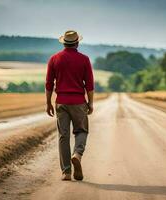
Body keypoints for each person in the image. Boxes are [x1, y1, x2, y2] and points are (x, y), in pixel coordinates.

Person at [45, 30, 94, 181]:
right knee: (82, 131)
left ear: (64, 43)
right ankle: (77, 154)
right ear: (77, 43)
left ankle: (66, 172)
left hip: (61, 102)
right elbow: (90, 84)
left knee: (63, 136)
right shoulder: (84, 59)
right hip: (79, 102)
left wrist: (48, 103)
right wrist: (90, 103)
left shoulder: (54, 59)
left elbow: (48, 83)